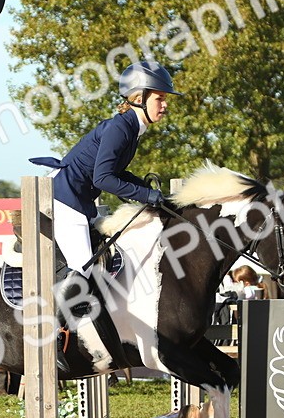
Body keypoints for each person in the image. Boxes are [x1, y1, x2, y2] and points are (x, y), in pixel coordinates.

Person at [29, 60, 178, 372]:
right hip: (66, 199)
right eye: (160, 98)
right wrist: (146, 196)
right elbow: (103, 179)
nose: (164, 105)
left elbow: (116, 173)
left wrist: (148, 190)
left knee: (98, 263)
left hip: (80, 201)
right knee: (83, 266)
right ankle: (50, 337)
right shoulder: (120, 129)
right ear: (139, 97)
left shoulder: (131, 128)